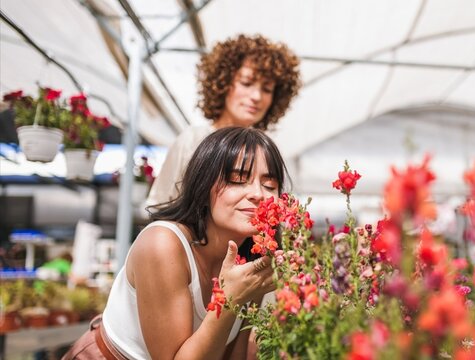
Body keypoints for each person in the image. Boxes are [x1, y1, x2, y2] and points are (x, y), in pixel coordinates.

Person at [63, 127, 288, 359]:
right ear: (204, 184)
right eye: (238, 179)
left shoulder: (255, 258)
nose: (258, 194)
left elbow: (234, 356)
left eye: (269, 185)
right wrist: (231, 298)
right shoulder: (163, 244)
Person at [147, 34, 301, 207]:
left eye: (267, 89)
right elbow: (159, 205)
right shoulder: (193, 140)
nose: (256, 96)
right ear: (223, 83)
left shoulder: (267, 152)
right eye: (246, 83)